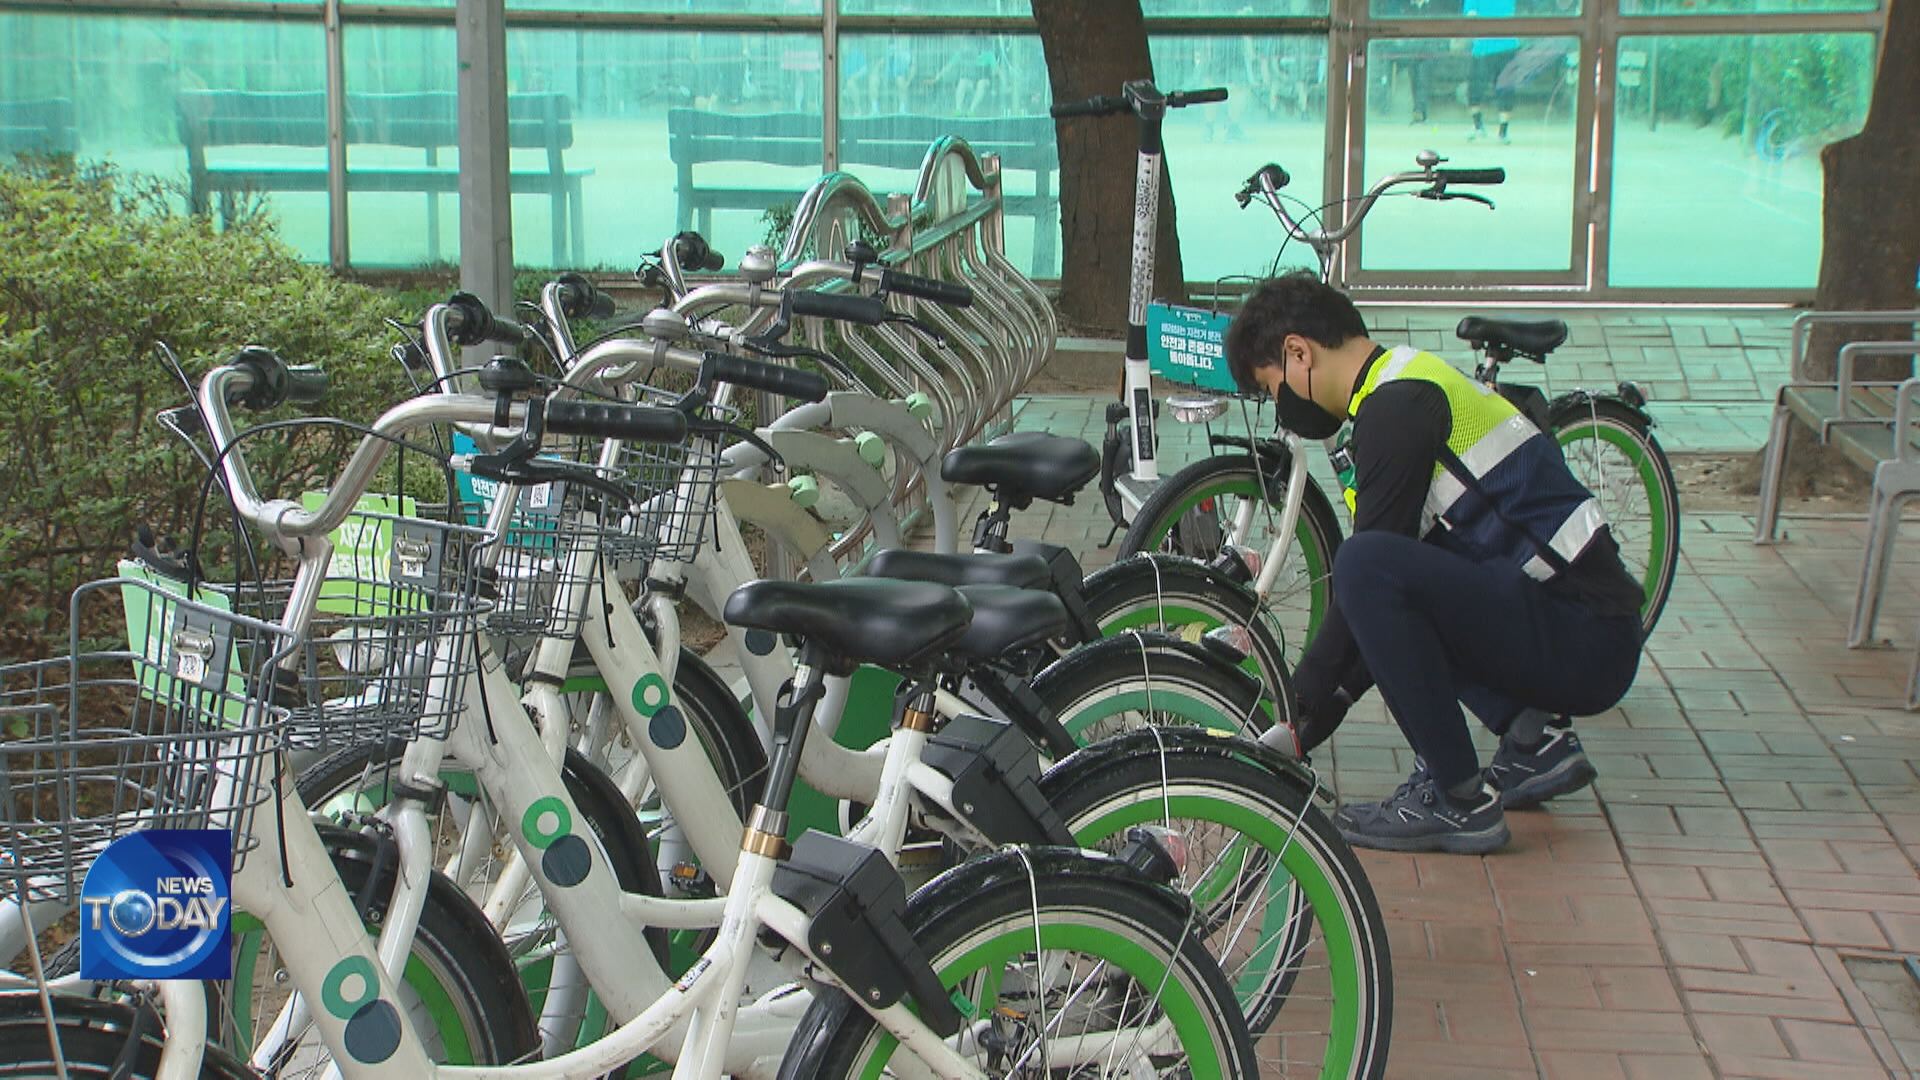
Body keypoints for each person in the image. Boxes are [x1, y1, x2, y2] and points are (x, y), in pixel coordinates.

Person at [1225, 273, 1644, 854]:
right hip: (1581, 627)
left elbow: (1366, 586)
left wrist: (1299, 714)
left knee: (1365, 563)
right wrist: (1311, 720)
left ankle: (1458, 799)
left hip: (1585, 639)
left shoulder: (1396, 410)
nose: (1283, 407)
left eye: (1274, 390)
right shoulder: (1407, 380)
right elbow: (1386, 615)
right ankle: (1531, 740)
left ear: (1299, 352)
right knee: (1387, 571)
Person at [1463, 0, 1520, 142]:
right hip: (1499, 46)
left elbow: (1470, 16)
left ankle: (1482, 128)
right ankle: (1500, 131)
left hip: (1489, 47)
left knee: (1476, 89)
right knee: (1503, 89)